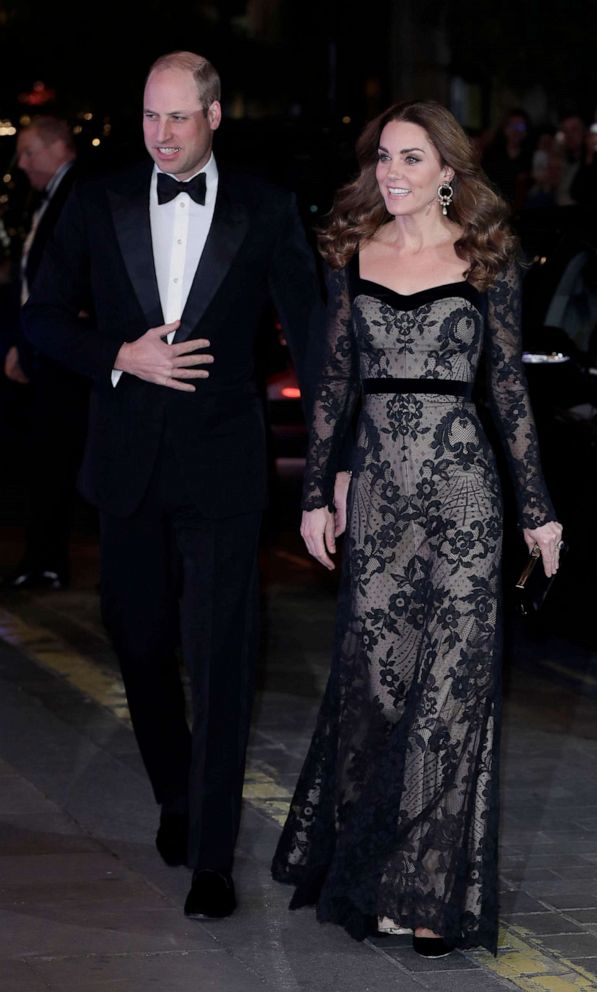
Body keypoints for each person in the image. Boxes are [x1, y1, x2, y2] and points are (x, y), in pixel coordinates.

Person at [23, 51, 322, 919]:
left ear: (215, 116)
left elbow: (311, 335)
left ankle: (212, 861)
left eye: (178, 118)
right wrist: (119, 353)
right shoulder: (100, 198)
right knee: (140, 641)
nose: (160, 136)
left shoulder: (266, 208)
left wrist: (337, 461)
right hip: (126, 465)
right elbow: (41, 318)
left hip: (223, 468)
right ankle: (176, 796)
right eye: (150, 118)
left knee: (222, 657)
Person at [271, 100, 562, 958]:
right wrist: (317, 496)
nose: (390, 173)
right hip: (383, 506)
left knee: (452, 698)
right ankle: (378, 872)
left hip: (466, 500)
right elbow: (333, 386)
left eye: (409, 159)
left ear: (447, 173)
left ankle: (430, 893)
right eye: (383, 159)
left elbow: (507, 390)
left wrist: (538, 509)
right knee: (380, 690)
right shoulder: (352, 254)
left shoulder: (486, 259)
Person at [2, 116, 86, 589]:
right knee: (45, 459)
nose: (22, 163)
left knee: (56, 459)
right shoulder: (47, 197)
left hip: (67, 354)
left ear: (58, 148)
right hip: (45, 346)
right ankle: (42, 558)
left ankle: (48, 561)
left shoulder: (80, 192)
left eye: (29, 152)